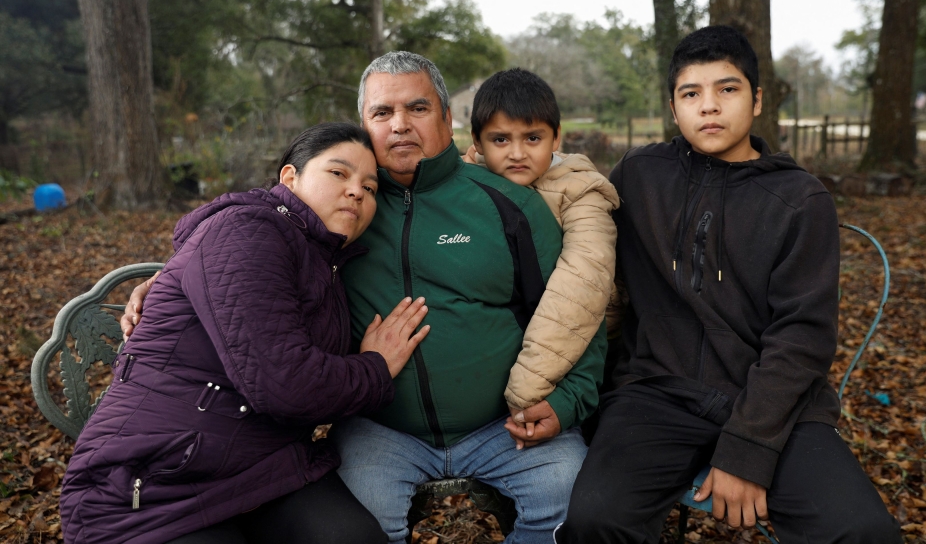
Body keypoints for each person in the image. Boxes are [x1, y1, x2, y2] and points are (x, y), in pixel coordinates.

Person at [557, 26, 901, 544]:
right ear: (673, 108)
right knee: (594, 521)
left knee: (864, 533)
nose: (709, 107)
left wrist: (747, 449)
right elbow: (563, 198)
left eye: (728, 89)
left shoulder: (800, 200)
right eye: (691, 94)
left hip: (774, 407)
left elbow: (802, 337)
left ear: (757, 100)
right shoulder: (640, 174)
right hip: (655, 393)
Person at [72, 123, 430, 544]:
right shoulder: (246, 229)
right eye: (339, 173)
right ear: (290, 178)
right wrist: (375, 368)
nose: (356, 192)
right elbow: (286, 383)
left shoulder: (322, 257)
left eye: (370, 188)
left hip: (262, 468)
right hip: (153, 481)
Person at [332, 51, 608, 544]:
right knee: (355, 526)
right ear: (363, 124)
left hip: (505, 427)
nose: (399, 125)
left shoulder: (509, 204)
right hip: (381, 430)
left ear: (446, 117)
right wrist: (169, 283)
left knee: (568, 501)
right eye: (382, 113)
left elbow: (578, 315)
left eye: (416, 108)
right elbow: (253, 248)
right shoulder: (340, 205)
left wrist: (566, 405)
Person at [462, 68, 619, 422]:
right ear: (477, 141)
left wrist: (526, 390)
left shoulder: (583, 193)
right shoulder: (466, 185)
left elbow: (583, 281)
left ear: (556, 137)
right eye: (500, 140)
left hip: (574, 351)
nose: (517, 153)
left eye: (533, 138)